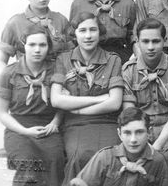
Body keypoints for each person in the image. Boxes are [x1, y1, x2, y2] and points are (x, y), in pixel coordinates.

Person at [50, 12, 123, 185]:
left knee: (111, 157)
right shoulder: (63, 59)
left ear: (100, 32)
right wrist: (99, 99)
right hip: (75, 124)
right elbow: (56, 100)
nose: (88, 35)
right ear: (74, 34)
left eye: (93, 30)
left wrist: (76, 106)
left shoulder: (113, 60)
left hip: (107, 123)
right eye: (82, 30)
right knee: (78, 156)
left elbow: (115, 103)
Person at [0, 26, 65, 186]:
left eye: (42, 45)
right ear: (23, 45)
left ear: (48, 47)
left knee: (55, 160)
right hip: (18, 129)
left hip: (48, 127)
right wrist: (25, 131)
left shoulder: (56, 69)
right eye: (32, 45)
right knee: (27, 163)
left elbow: (62, 104)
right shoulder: (9, 73)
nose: (37, 50)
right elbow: (3, 114)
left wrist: (55, 123)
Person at [122, 18, 168, 151]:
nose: (150, 47)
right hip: (140, 127)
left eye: (156, 41)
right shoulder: (128, 70)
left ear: (165, 40)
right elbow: (129, 113)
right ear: (137, 42)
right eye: (145, 41)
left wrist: (158, 145)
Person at [69, 107, 168, 186]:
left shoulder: (158, 161)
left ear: (149, 132)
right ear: (119, 134)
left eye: (139, 132)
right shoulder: (105, 157)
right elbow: (81, 183)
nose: (133, 140)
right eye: (127, 133)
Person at [0, 0, 73, 67]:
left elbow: (72, 54)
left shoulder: (60, 20)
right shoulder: (15, 23)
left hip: (58, 78)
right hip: (27, 79)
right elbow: (2, 61)